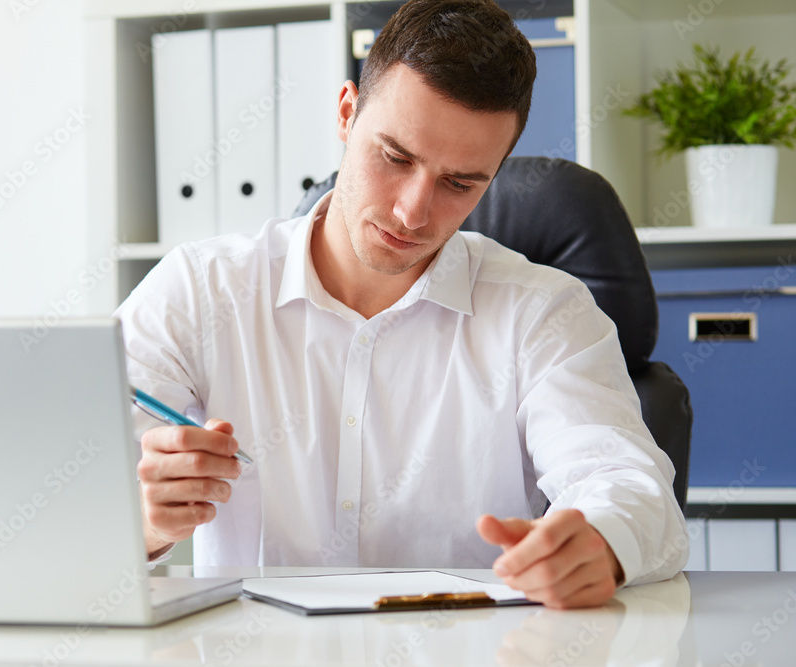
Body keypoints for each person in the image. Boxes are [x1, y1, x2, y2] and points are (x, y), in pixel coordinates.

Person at [115, 0, 688, 609]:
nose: (413, 212)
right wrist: (145, 522)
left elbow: (631, 488)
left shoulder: (544, 314)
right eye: (395, 157)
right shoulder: (200, 290)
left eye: (460, 183)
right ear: (346, 113)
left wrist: (600, 542)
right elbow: (67, 502)